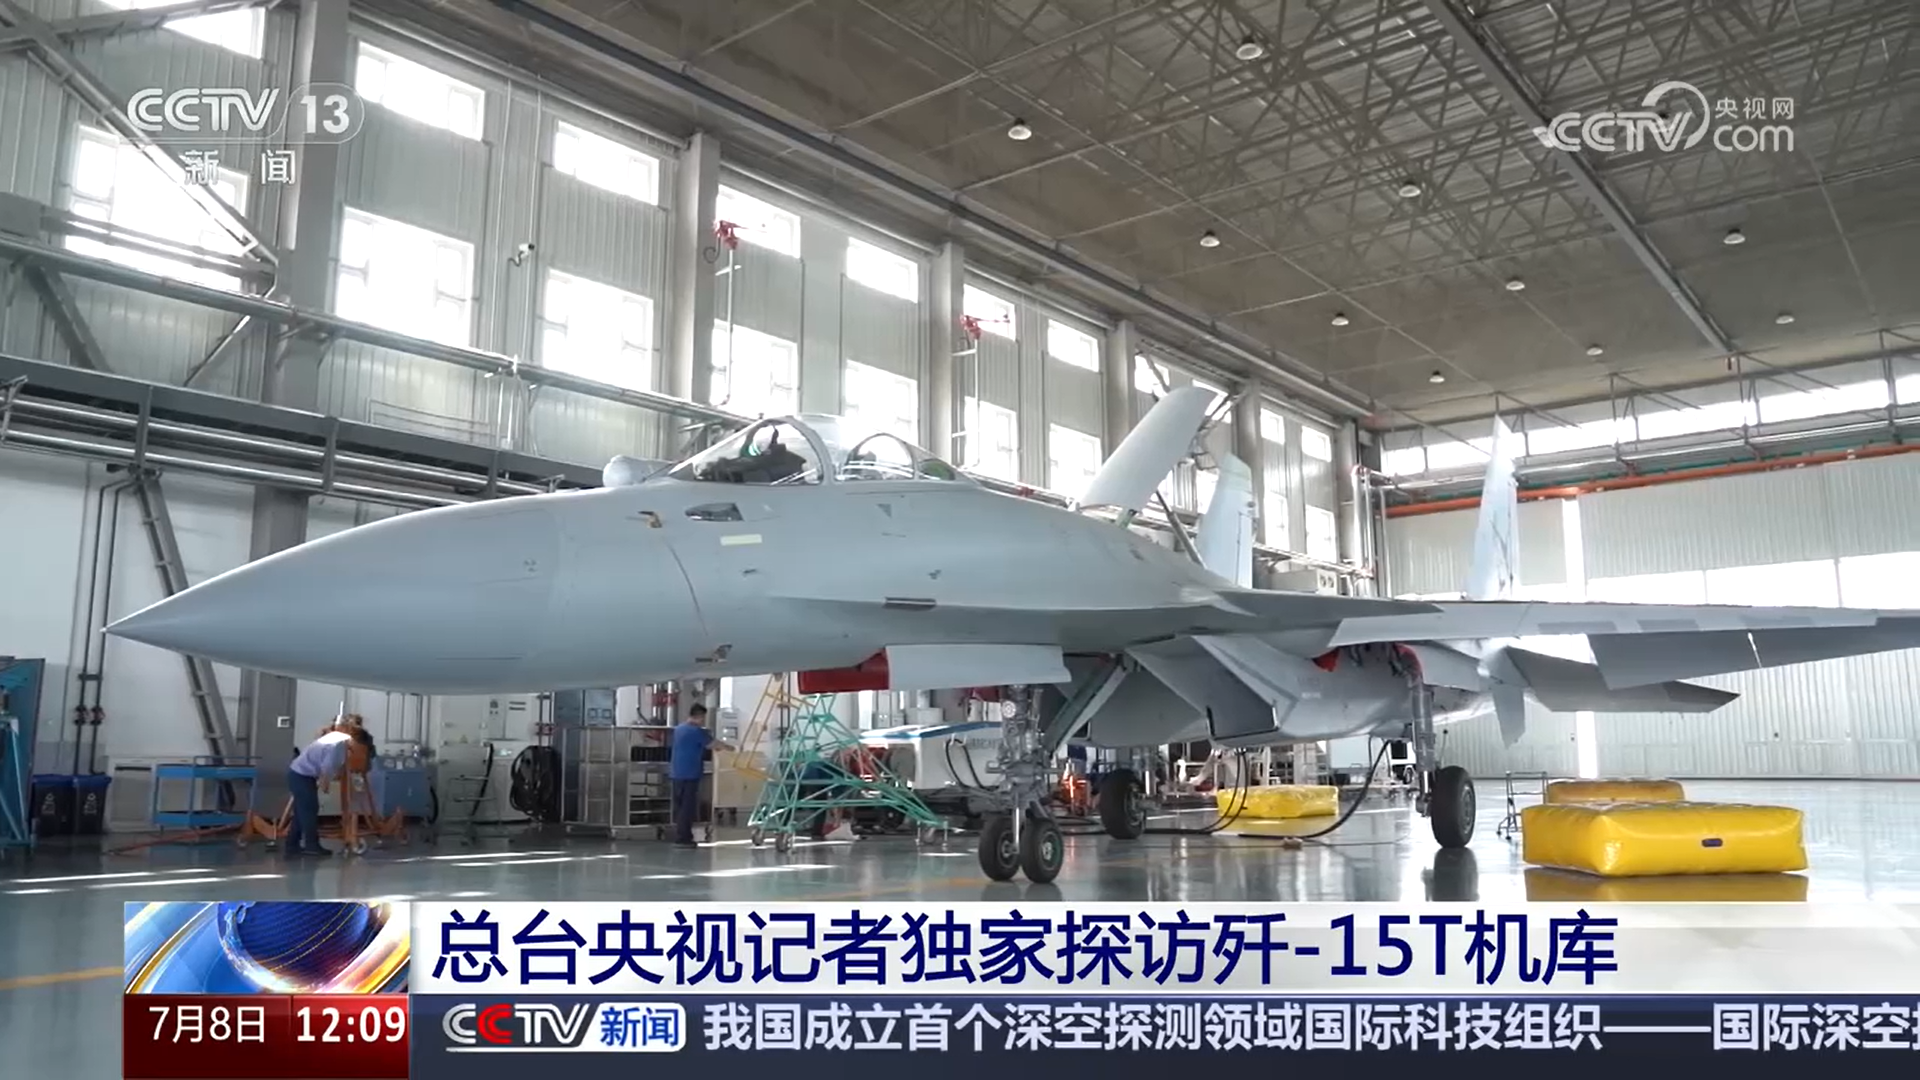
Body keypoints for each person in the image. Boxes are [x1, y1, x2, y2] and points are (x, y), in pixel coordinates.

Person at [286, 724, 374, 857]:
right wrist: (325, 783)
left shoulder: (337, 738)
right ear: (355, 741)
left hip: (298, 774)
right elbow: (327, 766)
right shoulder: (338, 746)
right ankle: (311, 845)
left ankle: (292, 845)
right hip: (302, 776)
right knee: (309, 811)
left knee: (301, 812)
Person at [668, 704, 732, 848]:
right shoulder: (697, 731)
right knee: (687, 807)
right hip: (690, 773)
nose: (703, 721)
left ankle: (680, 835)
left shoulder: (678, 729)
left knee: (680, 807)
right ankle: (684, 838)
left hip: (676, 772)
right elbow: (712, 744)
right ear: (700, 716)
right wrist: (730, 748)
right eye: (703, 718)